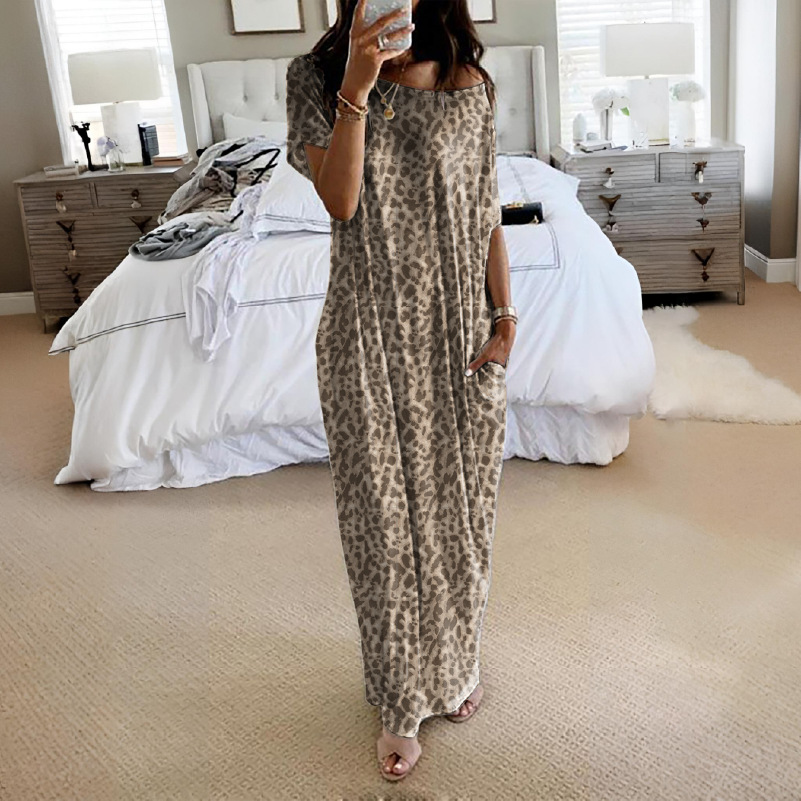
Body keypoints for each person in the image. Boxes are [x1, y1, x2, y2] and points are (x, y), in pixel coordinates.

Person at [284, 0, 517, 782]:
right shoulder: (315, 77)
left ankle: (454, 666)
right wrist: (357, 82)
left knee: (461, 519)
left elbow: (486, 209)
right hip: (368, 331)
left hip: (458, 334)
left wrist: (505, 316)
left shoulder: (468, 80)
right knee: (382, 527)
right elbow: (341, 200)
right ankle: (397, 700)